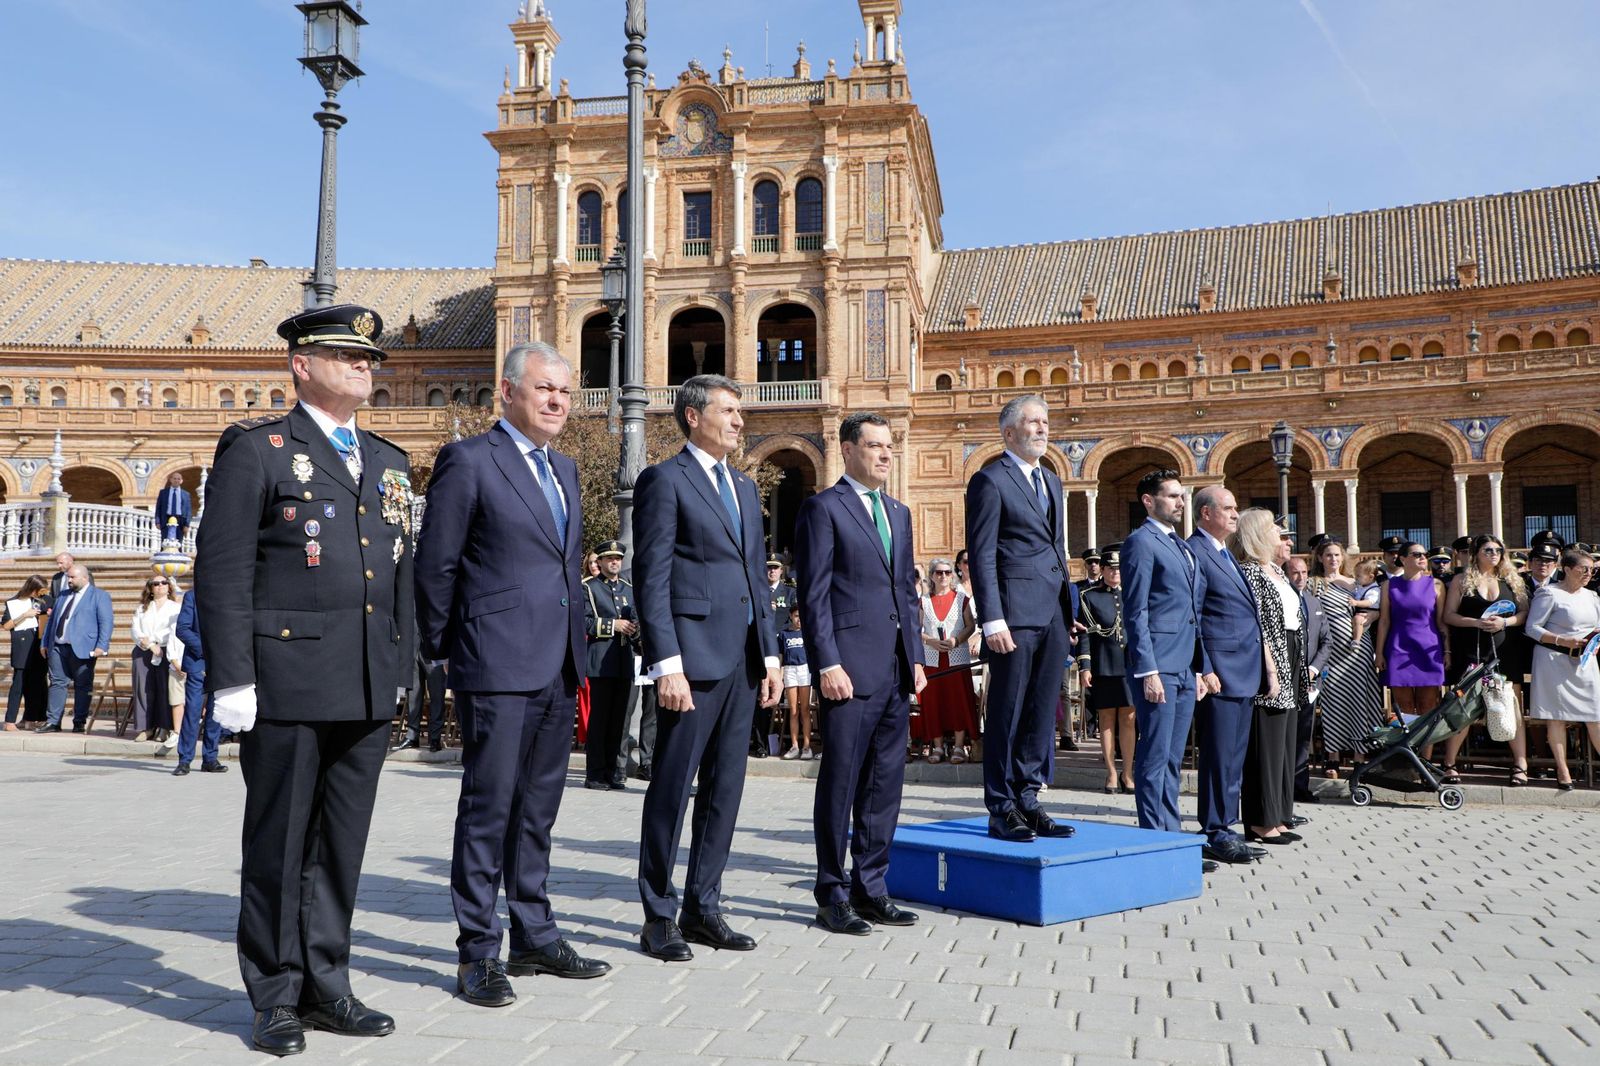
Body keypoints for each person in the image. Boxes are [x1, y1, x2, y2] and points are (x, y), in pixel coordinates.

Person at [197, 302, 413, 1054]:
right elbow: (222, 572)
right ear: (301, 364)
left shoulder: (388, 461)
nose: (366, 366)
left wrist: (402, 665)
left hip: (364, 681)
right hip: (285, 679)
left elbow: (401, 576)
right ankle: (275, 993)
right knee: (280, 843)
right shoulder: (258, 451)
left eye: (370, 359)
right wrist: (232, 679)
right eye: (348, 355)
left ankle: (329, 983)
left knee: (341, 845)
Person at [414, 341, 610, 1007]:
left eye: (564, 391)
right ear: (508, 391)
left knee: (538, 810)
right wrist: (443, 649)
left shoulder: (565, 469)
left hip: (558, 663)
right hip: (494, 660)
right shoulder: (469, 460)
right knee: (488, 808)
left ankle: (534, 932)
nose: (557, 401)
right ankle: (477, 953)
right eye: (544, 389)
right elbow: (436, 563)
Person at [633, 374, 782, 962]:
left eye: (740, 411)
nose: (740, 421)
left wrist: (769, 654)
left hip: (743, 660)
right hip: (691, 661)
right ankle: (658, 915)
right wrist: (666, 663)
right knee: (672, 788)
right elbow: (653, 579)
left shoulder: (745, 488)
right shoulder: (664, 481)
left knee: (726, 789)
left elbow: (754, 579)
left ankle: (704, 907)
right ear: (693, 417)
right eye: (728, 410)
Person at [793, 411, 926, 935]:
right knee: (842, 782)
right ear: (847, 450)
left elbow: (906, 594)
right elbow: (815, 593)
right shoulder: (823, 508)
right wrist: (827, 662)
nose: (885, 454)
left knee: (884, 785)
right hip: (847, 668)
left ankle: (872, 888)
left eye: (889, 446)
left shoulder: (899, 512)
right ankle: (831, 893)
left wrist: (914, 657)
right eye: (874, 446)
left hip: (894, 668)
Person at [965, 394, 1078, 843]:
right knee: (1008, 711)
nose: (1043, 428)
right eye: (1033, 422)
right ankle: (1001, 807)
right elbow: (983, 553)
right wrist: (992, 618)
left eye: (1045, 421)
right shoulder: (990, 481)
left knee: (1040, 711)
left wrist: (1067, 609)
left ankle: (1029, 799)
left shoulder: (1052, 481)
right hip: (1012, 614)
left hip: (1052, 612)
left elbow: (1057, 548)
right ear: (1009, 433)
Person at [1120, 469, 1211, 838]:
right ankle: (1154, 836)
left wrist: (1201, 667)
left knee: (1174, 759)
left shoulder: (1181, 544)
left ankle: (1172, 835)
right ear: (1148, 501)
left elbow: (1194, 612)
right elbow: (1135, 610)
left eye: (1181, 495)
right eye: (1172, 496)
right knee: (1155, 756)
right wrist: (1148, 670)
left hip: (1186, 666)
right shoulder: (1141, 542)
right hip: (1158, 666)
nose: (1180, 501)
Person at [1187, 486, 1264, 867]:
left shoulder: (1223, 552)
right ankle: (1214, 830)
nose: (1236, 515)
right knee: (1219, 756)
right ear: (1205, 514)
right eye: (1229, 508)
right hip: (1221, 670)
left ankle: (1225, 827)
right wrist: (1205, 666)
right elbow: (1195, 616)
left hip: (1242, 669)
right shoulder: (1196, 552)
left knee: (1233, 755)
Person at [1234, 512, 1305, 846]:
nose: (1284, 538)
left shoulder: (1275, 571)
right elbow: (1259, 624)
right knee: (1267, 739)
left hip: (1290, 652)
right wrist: (1270, 668)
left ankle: (1279, 813)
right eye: (1278, 532)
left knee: (1286, 738)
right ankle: (1261, 820)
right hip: (1270, 656)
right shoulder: (1249, 572)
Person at [1440, 534, 1530, 785]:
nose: (1494, 554)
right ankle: (1449, 763)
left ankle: (1520, 764)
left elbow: (1524, 613)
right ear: (1476, 553)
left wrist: (1506, 621)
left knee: (1511, 707)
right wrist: (1476, 622)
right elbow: (1449, 615)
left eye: (1498, 550)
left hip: (1505, 652)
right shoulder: (1461, 580)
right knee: (1463, 709)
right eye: (1488, 549)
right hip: (1471, 651)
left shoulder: (1513, 580)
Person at [1308, 539, 1385, 776]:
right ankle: (1333, 756)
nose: (1333, 559)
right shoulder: (1314, 584)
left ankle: (1360, 757)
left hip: (1357, 651)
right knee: (1333, 703)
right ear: (1320, 558)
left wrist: (1372, 616)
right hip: (1330, 653)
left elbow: (1376, 607)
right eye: (1328, 555)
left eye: (1337, 556)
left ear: (1343, 559)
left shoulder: (1355, 583)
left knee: (1359, 701)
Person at [1526, 548, 1600, 790]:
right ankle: (1562, 769)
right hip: (1553, 661)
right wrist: (1562, 640)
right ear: (1567, 569)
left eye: (1592, 569)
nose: (1589, 573)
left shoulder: (1592, 597)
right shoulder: (1549, 593)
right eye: (1584, 569)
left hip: (1584, 663)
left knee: (1595, 717)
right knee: (1556, 718)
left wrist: (1596, 643)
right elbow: (1532, 628)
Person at [1077, 544, 1134, 795]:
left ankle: (1128, 772)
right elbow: (1085, 636)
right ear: (1101, 570)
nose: (1115, 573)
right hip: (1104, 664)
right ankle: (1111, 772)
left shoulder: (1133, 594)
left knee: (1130, 719)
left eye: (1119, 568)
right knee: (1107, 720)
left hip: (1129, 664)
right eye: (1110, 568)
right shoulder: (1089, 596)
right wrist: (1085, 666)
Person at [583, 540, 640, 789]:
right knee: (600, 720)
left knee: (620, 720)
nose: (614, 562)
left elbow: (637, 619)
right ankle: (595, 773)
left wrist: (637, 630)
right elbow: (583, 622)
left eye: (618, 558)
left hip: (624, 660)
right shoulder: (589, 587)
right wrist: (612, 625)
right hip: (600, 662)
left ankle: (614, 771)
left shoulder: (629, 588)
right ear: (602, 562)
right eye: (609, 559)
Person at [1373, 541, 1448, 726]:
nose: (1423, 557)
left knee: (1428, 705)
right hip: (1399, 648)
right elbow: (1384, 621)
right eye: (1416, 554)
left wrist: (1448, 651)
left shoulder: (1436, 585)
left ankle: (1426, 755)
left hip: (1429, 649)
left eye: (1424, 554)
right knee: (1404, 706)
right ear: (1403, 559)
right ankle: (1409, 753)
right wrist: (1380, 652)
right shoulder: (1389, 586)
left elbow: (1441, 623)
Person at [917, 559, 978, 764]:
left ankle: (959, 746)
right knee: (934, 702)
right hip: (932, 658)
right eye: (939, 573)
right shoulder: (924, 600)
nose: (943, 576)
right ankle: (937, 746)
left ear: (953, 575)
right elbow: (917, 629)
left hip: (957, 657)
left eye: (947, 573)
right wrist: (931, 641)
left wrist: (956, 640)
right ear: (932, 575)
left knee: (958, 701)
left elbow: (970, 625)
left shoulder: (962, 598)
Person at [42, 564, 112, 733]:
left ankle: (79, 721)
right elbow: (51, 622)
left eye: (72, 577)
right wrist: (44, 642)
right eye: (68, 577)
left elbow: (106, 622)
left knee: (82, 685)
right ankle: (53, 721)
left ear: (84, 578)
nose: (69, 580)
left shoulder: (99, 596)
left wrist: (101, 646)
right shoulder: (63, 595)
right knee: (57, 683)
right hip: (58, 646)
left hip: (83, 647)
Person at [1287, 555, 1331, 805]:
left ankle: (1299, 786)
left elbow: (1327, 641)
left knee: (1304, 735)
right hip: (1287, 680)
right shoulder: (1283, 599)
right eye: (1295, 573)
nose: (1300, 577)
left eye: (1304, 572)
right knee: (1285, 736)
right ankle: (1283, 787)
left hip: (1310, 681)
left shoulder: (1314, 602)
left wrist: (1314, 669)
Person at [169, 579, 225, 776]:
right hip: (198, 661)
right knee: (193, 711)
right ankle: (185, 759)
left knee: (215, 712)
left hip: (221, 662)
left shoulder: (227, 596)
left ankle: (210, 758)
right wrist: (206, 650)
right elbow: (182, 628)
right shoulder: (192, 596)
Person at [129, 574, 180, 743]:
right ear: (150, 589)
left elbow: (174, 629)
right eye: (156, 583)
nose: (160, 585)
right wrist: (150, 645)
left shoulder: (175, 608)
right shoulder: (142, 608)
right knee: (143, 689)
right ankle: (146, 727)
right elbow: (136, 631)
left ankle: (165, 727)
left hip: (167, 651)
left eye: (164, 582)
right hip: (144, 650)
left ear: (169, 586)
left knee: (165, 689)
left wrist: (157, 642)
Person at [3, 575, 51, 731]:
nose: (41, 594)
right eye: (39, 591)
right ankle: (9, 721)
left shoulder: (44, 600)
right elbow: (6, 626)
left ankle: (31, 718)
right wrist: (24, 615)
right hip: (22, 646)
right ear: (32, 589)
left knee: (38, 684)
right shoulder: (14, 602)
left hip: (39, 646)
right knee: (19, 683)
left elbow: (49, 615)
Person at [779, 605, 813, 759]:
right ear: (791, 616)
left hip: (805, 669)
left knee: (805, 709)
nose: (799, 619)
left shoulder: (808, 632)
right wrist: (779, 676)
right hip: (789, 669)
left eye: (801, 616)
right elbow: (780, 656)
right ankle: (794, 746)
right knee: (793, 710)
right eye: (797, 616)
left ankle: (807, 746)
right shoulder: (784, 633)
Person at [154, 470, 193, 542]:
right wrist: (157, 522)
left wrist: (187, 525)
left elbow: (188, 510)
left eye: (178, 479)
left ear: (181, 481)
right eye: (174, 478)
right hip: (166, 519)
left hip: (180, 521)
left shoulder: (186, 494)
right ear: (171, 480)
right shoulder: (163, 492)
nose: (176, 480)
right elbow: (158, 508)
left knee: (178, 543)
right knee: (165, 542)